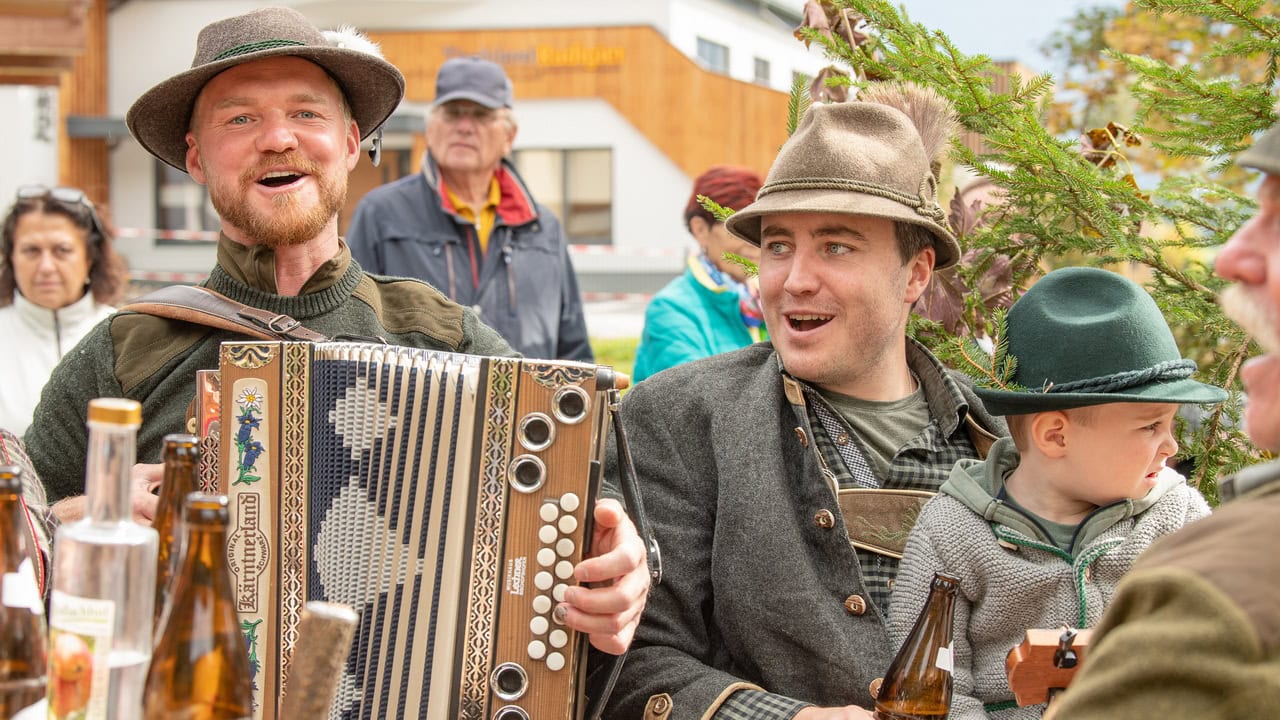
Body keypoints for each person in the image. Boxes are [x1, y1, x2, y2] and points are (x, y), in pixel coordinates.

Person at [23, 6, 647, 654]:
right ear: (197, 158)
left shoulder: (449, 338)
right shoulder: (124, 351)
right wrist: (84, 518)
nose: (277, 139)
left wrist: (618, 559)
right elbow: (19, 536)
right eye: (241, 118)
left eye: (305, 114)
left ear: (350, 142)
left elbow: (588, 494)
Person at [601, 84, 1007, 719]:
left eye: (836, 246)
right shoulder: (679, 418)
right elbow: (626, 658)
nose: (794, 280)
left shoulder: (1002, 445)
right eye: (778, 245)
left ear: (917, 273)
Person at [887, 266, 1226, 720]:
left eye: (1170, 424)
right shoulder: (952, 532)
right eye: (1151, 426)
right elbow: (935, 690)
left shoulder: (1178, 518)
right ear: (1056, 436)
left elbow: (1229, 646)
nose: (1171, 446)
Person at [1044, 119, 1280, 720]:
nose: (1230, 258)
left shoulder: (1221, 588)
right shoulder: (962, 523)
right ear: (1053, 435)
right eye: (1148, 425)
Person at [345, 56, 592, 362]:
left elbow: (573, 348)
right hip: (420, 406)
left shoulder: (543, 227)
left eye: (480, 115)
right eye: (452, 114)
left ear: (509, 137)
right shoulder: (382, 214)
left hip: (527, 407)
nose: (464, 127)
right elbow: (351, 329)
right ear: (430, 130)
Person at [0, 186, 127, 434]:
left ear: (90, 257)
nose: (46, 266)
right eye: (31, 250)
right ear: (11, 257)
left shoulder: (123, 334)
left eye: (62, 250)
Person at [632, 165, 765, 382]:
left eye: (761, 227)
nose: (754, 242)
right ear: (700, 229)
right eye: (739, 228)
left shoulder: (765, 300)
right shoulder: (671, 309)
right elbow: (696, 402)